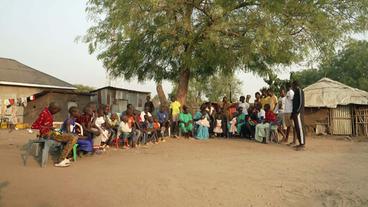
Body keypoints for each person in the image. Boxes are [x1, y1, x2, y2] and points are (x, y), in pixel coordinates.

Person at [31, 102, 78, 167]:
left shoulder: (48, 113)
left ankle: (64, 157)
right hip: (47, 134)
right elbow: (34, 126)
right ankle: (61, 160)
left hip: (51, 133)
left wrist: (51, 128)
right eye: (57, 111)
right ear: (53, 108)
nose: (56, 113)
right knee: (73, 138)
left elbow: (45, 125)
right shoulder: (44, 114)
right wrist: (48, 128)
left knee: (73, 137)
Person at [291, 81, 305, 151]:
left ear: (295, 85)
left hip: (298, 113)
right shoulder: (295, 92)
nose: (292, 87)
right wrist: (292, 114)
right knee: (297, 128)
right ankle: (300, 143)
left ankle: (302, 144)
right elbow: (294, 104)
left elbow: (301, 102)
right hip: (295, 113)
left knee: (300, 128)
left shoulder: (300, 91)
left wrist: (297, 111)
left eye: (292, 85)